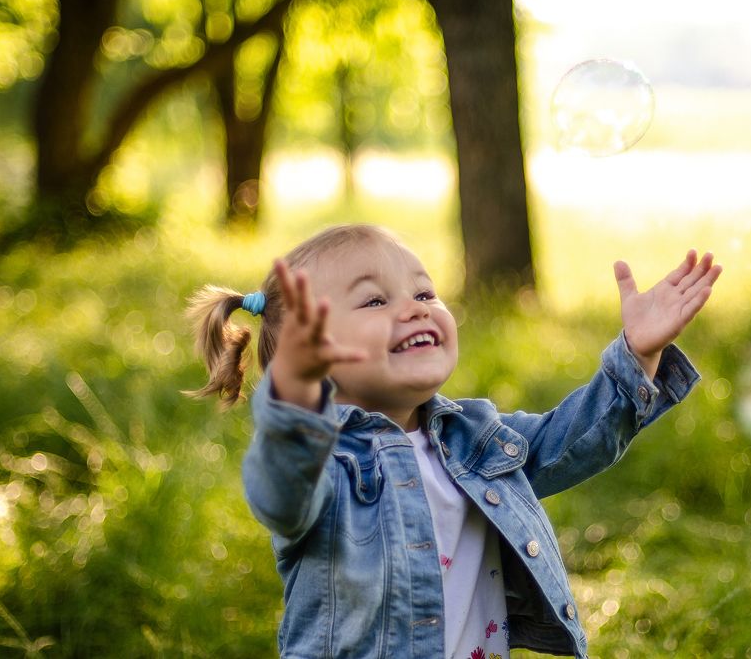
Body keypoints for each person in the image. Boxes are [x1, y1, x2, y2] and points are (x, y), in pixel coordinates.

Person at [187, 224, 721, 659]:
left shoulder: (473, 438)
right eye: (374, 302)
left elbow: (571, 440)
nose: (417, 307)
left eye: (424, 292)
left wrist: (637, 356)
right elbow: (279, 493)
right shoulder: (327, 464)